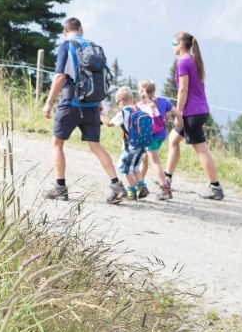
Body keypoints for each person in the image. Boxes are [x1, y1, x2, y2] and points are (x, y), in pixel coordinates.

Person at [42, 17, 126, 204]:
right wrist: (99, 101)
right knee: (95, 146)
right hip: (92, 105)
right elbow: (99, 78)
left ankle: (60, 188)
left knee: (57, 144)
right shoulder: (93, 47)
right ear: (81, 29)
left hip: (71, 103)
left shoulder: (66, 46)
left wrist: (48, 103)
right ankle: (117, 186)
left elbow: (60, 77)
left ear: (66, 31)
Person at [164, 31, 224, 200]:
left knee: (201, 150)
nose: (172, 46)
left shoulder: (183, 62)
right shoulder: (194, 60)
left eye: (173, 42)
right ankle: (166, 177)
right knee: (174, 140)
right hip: (200, 110)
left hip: (191, 113)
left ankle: (215, 188)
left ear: (181, 44)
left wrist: (178, 112)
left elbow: (183, 89)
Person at [101, 86, 148, 200]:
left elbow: (109, 124)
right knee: (136, 167)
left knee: (127, 169)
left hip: (130, 147)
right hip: (142, 146)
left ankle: (131, 191)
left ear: (120, 101)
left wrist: (101, 115)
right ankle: (142, 187)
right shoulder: (138, 110)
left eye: (117, 102)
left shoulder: (123, 113)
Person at [137, 79, 174, 199]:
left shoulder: (140, 106)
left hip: (150, 138)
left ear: (140, 92)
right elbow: (177, 113)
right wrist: (179, 123)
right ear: (154, 90)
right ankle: (141, 186)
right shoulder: (162, 101)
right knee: (145, 159)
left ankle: (165, 189)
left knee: (155, 162)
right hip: (161, 135)